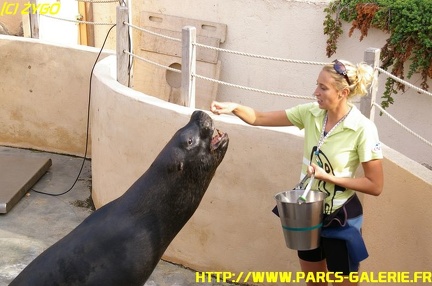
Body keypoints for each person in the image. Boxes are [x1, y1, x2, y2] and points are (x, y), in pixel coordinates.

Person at [210, 59, 384, 286]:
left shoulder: (363, 129)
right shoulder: (310, 113)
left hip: (341, 217)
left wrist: (328, 177)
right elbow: (260, 118)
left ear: (343, 93)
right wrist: (234, 107)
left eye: (323, 88)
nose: (315, 92)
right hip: (306, 212)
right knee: (314, 283)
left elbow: (375, 185)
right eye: (317, 85)